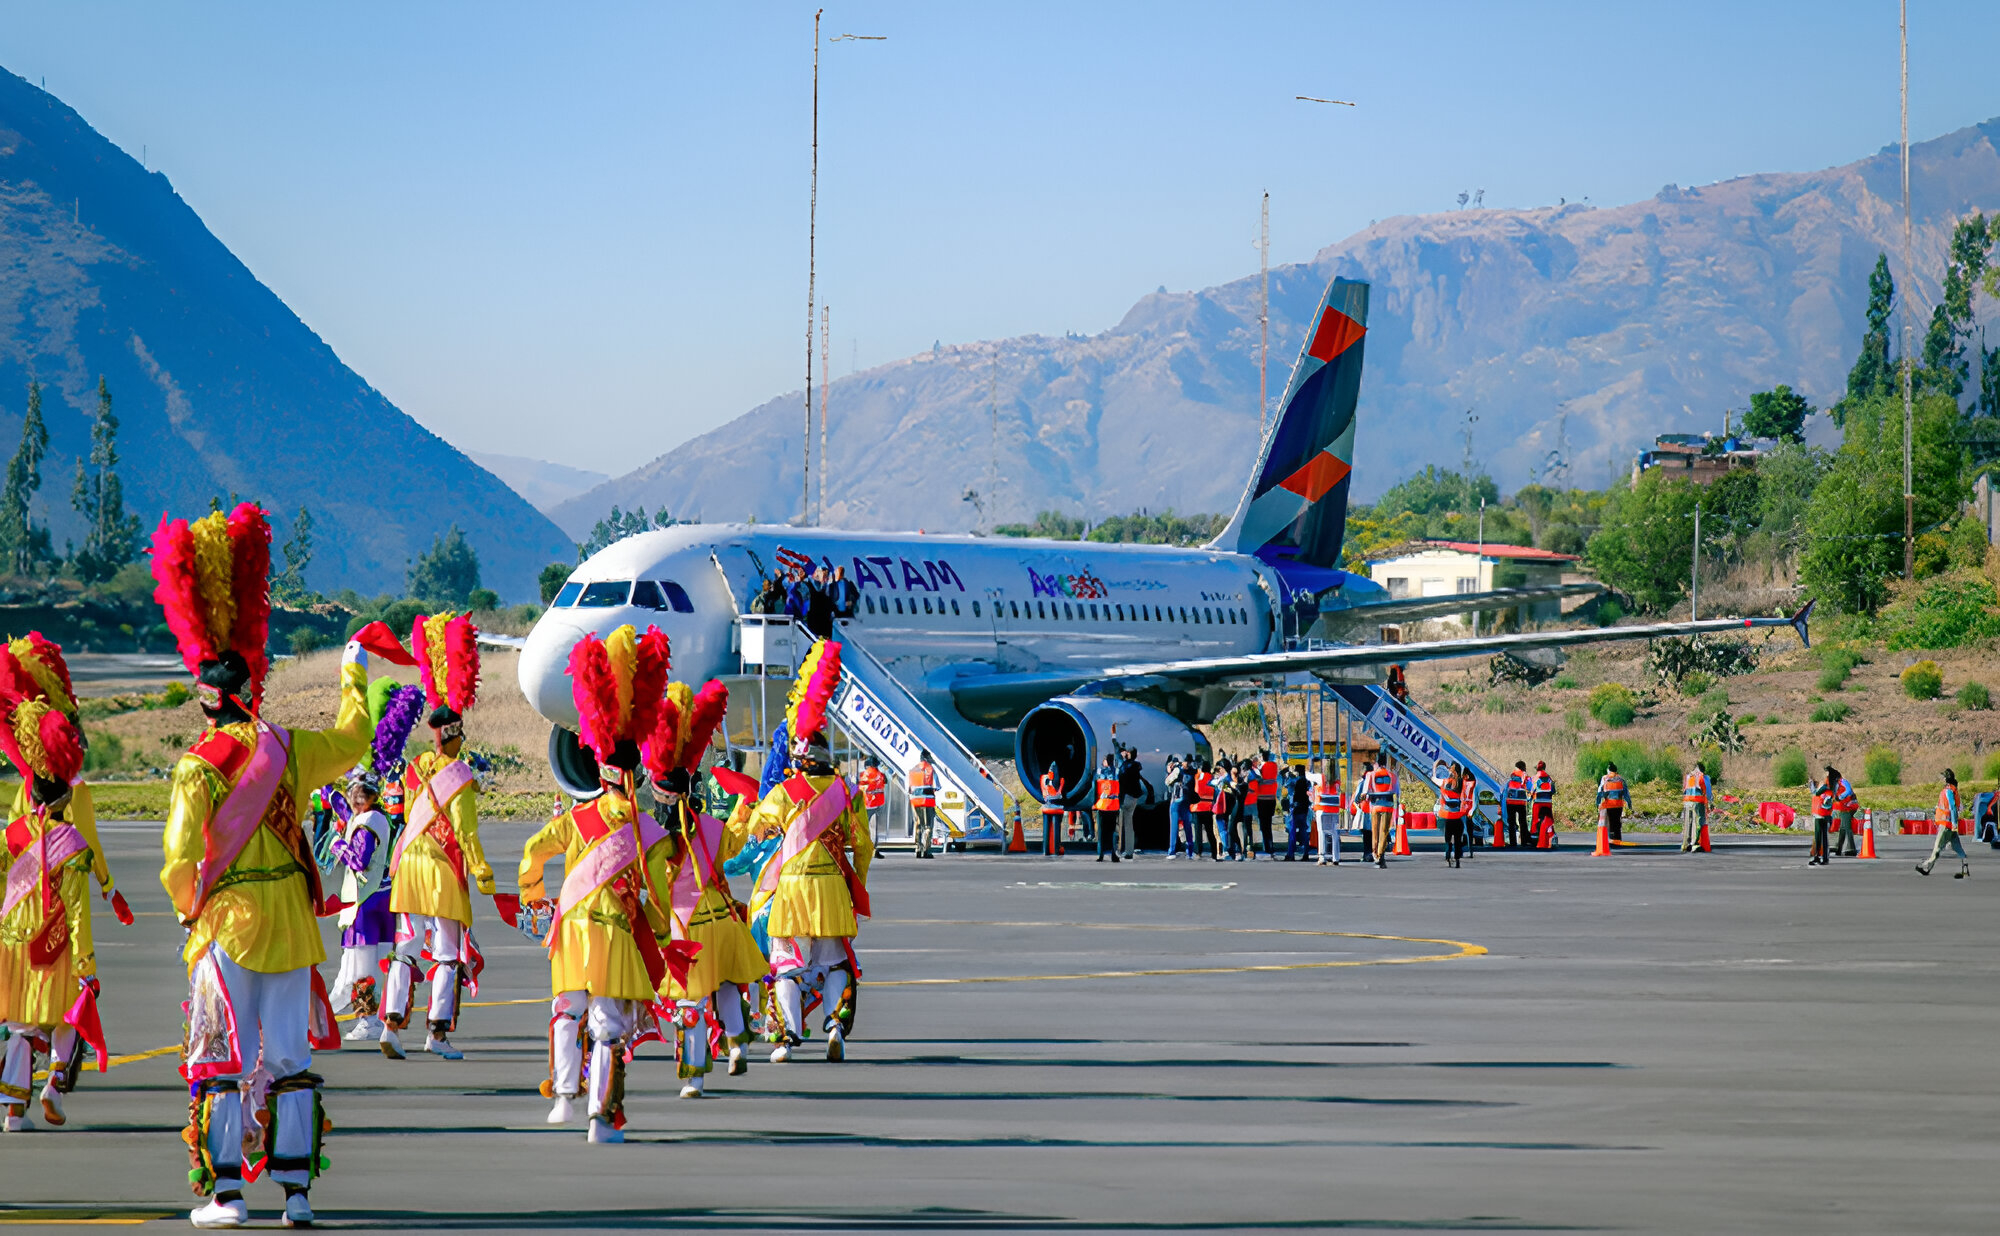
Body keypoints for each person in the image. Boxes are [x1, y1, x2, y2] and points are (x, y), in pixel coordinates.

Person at [154, 503, 370, 1229]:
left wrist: (191, 907)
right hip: (291, 925)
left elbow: (181, 860)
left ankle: (226, 1196)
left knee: (218, 1057)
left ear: (206, 701)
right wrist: (354, 675)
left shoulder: (196, 767)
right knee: (288, 1058)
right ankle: (299, 1196)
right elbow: (355, 738)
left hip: (232, 925)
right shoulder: (290, 747)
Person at [517, 623, 678, 1142]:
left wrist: (534, 896)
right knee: (607, 1024)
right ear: (636, 775)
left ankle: (563, 1098)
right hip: (611, 932)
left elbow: (533, 851)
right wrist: (659, 928)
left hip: (570, 928)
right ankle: (600, 1118)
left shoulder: (577, 816)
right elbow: (659, 891)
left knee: (567, 1011)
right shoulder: (646, 827)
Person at [0, 634, 121, 1134]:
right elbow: (82, 881)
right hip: (57, 937)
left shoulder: (17, 815)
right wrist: (108, 886)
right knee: (70, 1013)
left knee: (22, 1024)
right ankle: (53, 1086)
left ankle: (12, 1110)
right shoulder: (74, 820)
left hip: (14, 932)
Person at [747, 641, 873, 1064]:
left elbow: (755, 825)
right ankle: (836, 1025)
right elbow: (864, 844)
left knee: (786, 964)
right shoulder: (846, 792)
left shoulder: (786, 792)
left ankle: (786, 1039)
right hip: (833, 890)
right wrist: (858, 882)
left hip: (793, 891)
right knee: (836, 965)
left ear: (799, 761)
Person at [380, 612, 496, 1063]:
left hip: (410, 862)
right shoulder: (461, 776)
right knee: (447, 953)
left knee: (406, 946)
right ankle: (437, 1034)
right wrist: (483, 872)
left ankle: (390, 1025)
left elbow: (409, 814)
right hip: (444, 869)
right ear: (455, 737)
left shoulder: (415, 769)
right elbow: (466, 831)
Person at [645, 679, 766, 1100]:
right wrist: (745, 804)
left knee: (692, 1003)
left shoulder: (653, 842)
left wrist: (656, 934)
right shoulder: (710, 828)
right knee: (729, 984)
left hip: (688, 928)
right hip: (724, 921)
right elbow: (734, 844)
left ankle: (695, 1078)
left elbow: (655, 896)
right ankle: (736, 1044)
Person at [327, 774, 396, 1043]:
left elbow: (358, 861)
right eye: (353, 792)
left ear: (373, 795)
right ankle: (325, 1019)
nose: (357, 798)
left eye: (362, 793)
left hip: (365, 902)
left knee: (359, 968)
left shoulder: (368, 825)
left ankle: (367, 1020)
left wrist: (336, 844)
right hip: (381, 897)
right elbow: (346, 809)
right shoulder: (376, 817)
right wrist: (329, 791)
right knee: (367, 966)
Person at [1917, 769, 1969, 878]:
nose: (1942, 779)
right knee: (1957, 848)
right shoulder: (1952, 789)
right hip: (1950, 825)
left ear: (1946, 778)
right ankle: (1965, 868)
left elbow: (1953, 807)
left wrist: (1954, 823)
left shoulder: (1948, 791)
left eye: (1943, 777)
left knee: (1937, 847)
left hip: (1946, 825)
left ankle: (1926, 866)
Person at [1366, 759, 1398, 867]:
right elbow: (1397, 792)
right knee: (1384, 832)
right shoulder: (1392, 776)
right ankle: (1380, 854)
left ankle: (1375, 853)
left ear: (1377, 764)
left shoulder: (1371, 775)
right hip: (1388, 806)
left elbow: (1366, 791)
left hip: (1375, 806)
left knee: (1375, 831)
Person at [908, 750, 938, 859]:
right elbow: (937, 786)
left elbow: (909, 787)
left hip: (915, 801)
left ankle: (917, 848)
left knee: (918, 824)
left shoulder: (913, 770)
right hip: (928, 801)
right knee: (928, 826)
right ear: (926, 758)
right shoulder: (930, 769)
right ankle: (926, 850)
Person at [1314, 760, 1345, 867]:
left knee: (1321, 832)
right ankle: (1335, 857)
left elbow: (1308, 776)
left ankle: (1322, 857)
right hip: (1334, 810)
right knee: (1334, 833)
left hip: (1322, 809)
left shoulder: (1320, 778)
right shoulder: (1337, 783)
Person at [1092, 752, 1122, 864]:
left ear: (1106, 761)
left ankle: (1100, 854)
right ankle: (1114, 854)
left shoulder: (1100, 772)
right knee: (1113, 831)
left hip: (1102, 805)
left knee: (1101, 832)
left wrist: (1094, 803)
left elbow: (1095, 787)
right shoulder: (1117, 772)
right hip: (1113, 806)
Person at [1437, 765, 1468, 868]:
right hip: (1459, 817)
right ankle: (1458, 858)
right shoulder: (1462, 786)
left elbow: (1442, 799)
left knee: (1448, 837)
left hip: (1448, 816)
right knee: (1458, 839)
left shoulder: (1445, 787)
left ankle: (1448, 854)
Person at [1116, 747, 1144, 859]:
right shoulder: (1135, 765)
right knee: (1129, 825)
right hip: (1133, 797)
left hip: (1126, 796)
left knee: (1122, 824)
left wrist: (1122, 758)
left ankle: (1122, 849)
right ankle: (1129, 850)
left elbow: (1122, 776)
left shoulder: (1128, 766)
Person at [1282, 763, 1312, 861]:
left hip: (1295, 810)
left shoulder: (1295, 782)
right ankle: (1306, 853)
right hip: (1304, 810)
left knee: (1292, 832)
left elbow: (1290, 792)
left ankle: (1290, 854)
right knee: (1304, 833)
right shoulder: (1308, 782)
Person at [1828, 767, 1860, 857]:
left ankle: (1851, 848)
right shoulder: (1837, 784)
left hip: (1849, 807)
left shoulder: (1842, 781)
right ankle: (1839, 848)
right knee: (1843, 828)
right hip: (1844, 807)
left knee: (1847, 828)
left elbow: (1848, 790)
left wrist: (1840, 797)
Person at [1597, 762, 1631, 843]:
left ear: (1608, 770)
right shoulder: (1621, 779)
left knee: (1610, 822)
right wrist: (1629, 803)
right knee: (1617, 821)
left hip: (1609, 804)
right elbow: (1626, 793)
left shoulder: (1605, 778)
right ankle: (1618, 839)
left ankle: (1611, 839)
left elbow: (1600, 792)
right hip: (1619, 805)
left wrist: (1597, 802)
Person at [1680, 763, 1710, 854]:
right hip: (1698, 801)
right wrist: (1708, 805)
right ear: (1702, 769)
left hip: (1687, 802)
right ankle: (1695, 844)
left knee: (1688, 822)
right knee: (1698, 822)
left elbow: (1684, 789)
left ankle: (1686, 844)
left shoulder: (1688, 776)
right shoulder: (1703, 777)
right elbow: (1707, 793)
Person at [1255, 750, 1280, 858]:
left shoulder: (1260, 769)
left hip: (1261, 800)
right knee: (1268, 824)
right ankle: (1270, 845)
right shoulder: (1274, 766)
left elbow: (1257, 779)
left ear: (1261, 757)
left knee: (1263, 825)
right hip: (1271, 799)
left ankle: (1267, 847)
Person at [1038, 762, 1066, 857]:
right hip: (1056, 806)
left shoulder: (1042, 778)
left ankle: (1046, 850)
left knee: (1046, 830)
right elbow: (1060, 793)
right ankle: (1056, 849)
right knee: (1056, 829)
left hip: (1046, 806)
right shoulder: (1059, 780)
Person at [858, 757, 887, 845]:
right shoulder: (881, 775)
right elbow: (885, 782)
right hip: (878, 803)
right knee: (875, 827)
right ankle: (874, 844)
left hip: (866, 802)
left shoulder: (863, 774)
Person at [1806, 772, 1834, 866]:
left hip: (1822, 814)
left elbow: (1816, 793)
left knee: (1821, 838)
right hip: (1821, 814)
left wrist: (1812, 785)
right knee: (1820, 838)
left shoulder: (1826, 787)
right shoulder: (1827, 788)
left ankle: (1820, 857)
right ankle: (1820, 857)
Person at [1190, 760, 1215, 860]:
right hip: (1209, 806)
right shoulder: (1212, 778)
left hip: (1198, 806)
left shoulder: (1198, 776)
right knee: (1210, 831)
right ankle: (1214, 852)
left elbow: (1195, 783)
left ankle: (1198, 852)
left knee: (1198, 831)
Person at [1530, 761, 1558, 849]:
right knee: (1548, 820)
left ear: (1537, 769)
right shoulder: (1549, 778)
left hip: (1538, 802)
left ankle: (1535, 836)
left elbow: (1532, 790)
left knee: (1536, 820)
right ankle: (1552, 836)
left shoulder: (1535, 778)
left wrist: (1530, 796)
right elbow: (1553, 791)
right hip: (1548, 802)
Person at [1503, 761, 1530, 848]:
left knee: (1511, 823)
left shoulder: (1511, 777)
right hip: (1521, 803)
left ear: (1516, 768)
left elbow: (1505, 790)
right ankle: (1524, 841)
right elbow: (1530, 787)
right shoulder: (1525, 777)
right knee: (1523, 823)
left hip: (1510, 802)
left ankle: (1513, 842)